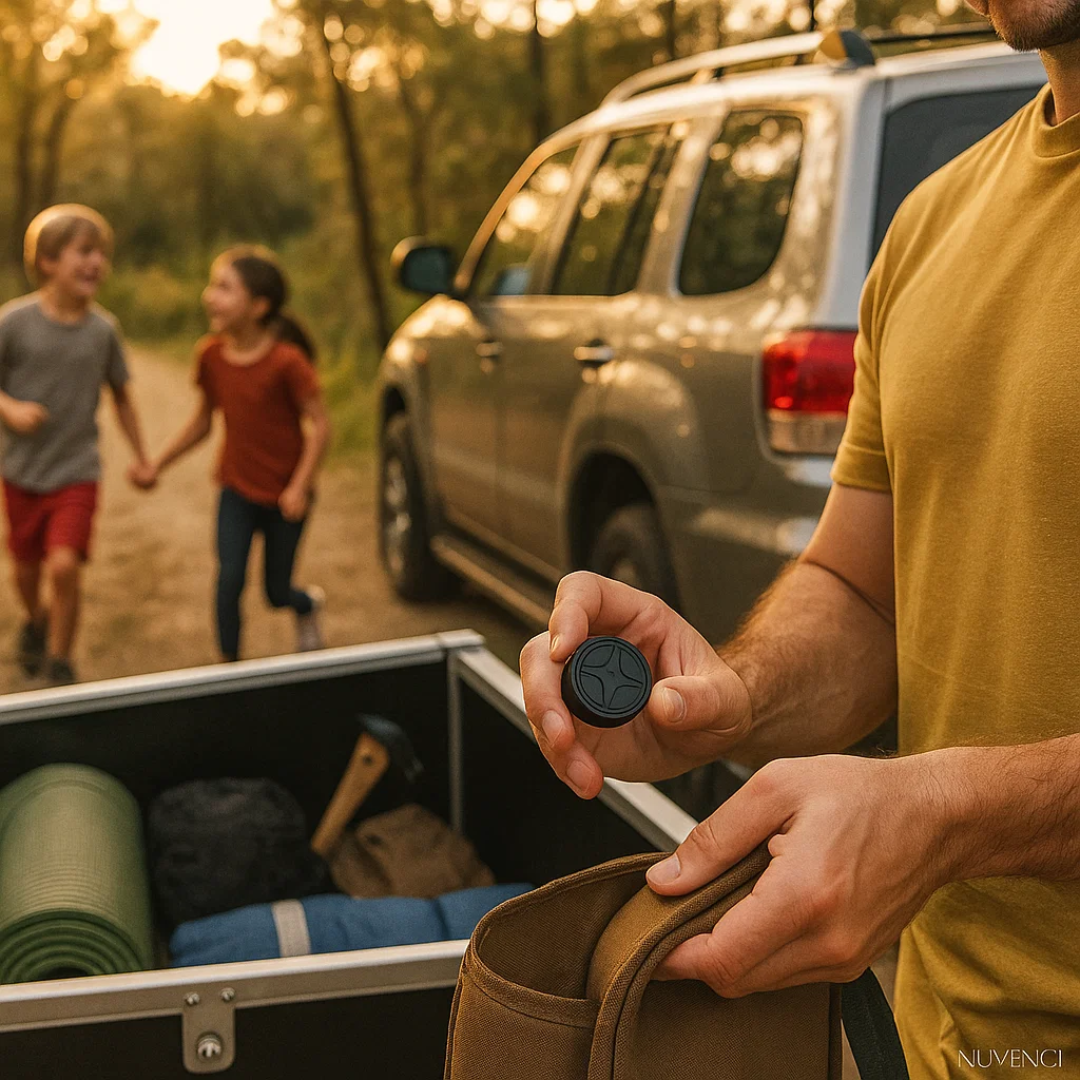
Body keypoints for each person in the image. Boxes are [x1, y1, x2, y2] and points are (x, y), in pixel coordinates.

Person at [520, 6, 1080, 1077]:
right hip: (946, 1042)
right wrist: (729, 697)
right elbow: (867, 595)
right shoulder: (931, 223)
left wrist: (950, 815)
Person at [139, 246, 330, 662]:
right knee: (228, 581)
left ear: (259, 306)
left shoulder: (287, 361)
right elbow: (203, 421)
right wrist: (157, 464)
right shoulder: (210, 355)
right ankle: (230, 669)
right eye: (212, 285)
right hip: (237, 489)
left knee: (276, 593)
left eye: (224, 288)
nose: (210, 296)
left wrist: (300, 486)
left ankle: (306, 605)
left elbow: (320, 426)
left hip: (286, 497)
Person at [0, 204, 154, 687]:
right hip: (21, 470)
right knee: (25, 570)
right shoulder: (14, 322)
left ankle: (60, 662)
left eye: (101, 254)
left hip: (77, 470)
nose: (96, 263)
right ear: (47, 261)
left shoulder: (103, 330)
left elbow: (122, 396)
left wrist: (142, 456)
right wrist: (10, 409)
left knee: (64, 565)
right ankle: (36, 620)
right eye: (84, 252)